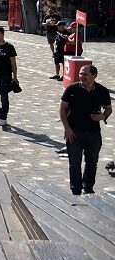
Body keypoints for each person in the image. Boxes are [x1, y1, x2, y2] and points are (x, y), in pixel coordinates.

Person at [60, 65, 111, 195]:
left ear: (94, 76)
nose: (81, 76)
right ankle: (75, 190)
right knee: (75, 163)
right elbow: (62, 109)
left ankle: (88, 188)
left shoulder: (102, 91)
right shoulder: (72, 89)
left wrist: (103, 116)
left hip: (93, 133)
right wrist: (67, 128)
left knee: (92, 162)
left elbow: (108, 108)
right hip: (74, 132)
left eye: (85, 74)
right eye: (81, 74)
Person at [44, 13, 62, 79]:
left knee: (62, 62)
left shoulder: (57, 16)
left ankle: (63, 75)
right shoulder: (47, 16)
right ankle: (57, 75)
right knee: (51, 43)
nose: (50, 10)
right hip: (49, 31)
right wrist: (47, 24)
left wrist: (54, 25)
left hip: (61, 50)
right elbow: (43, 23)